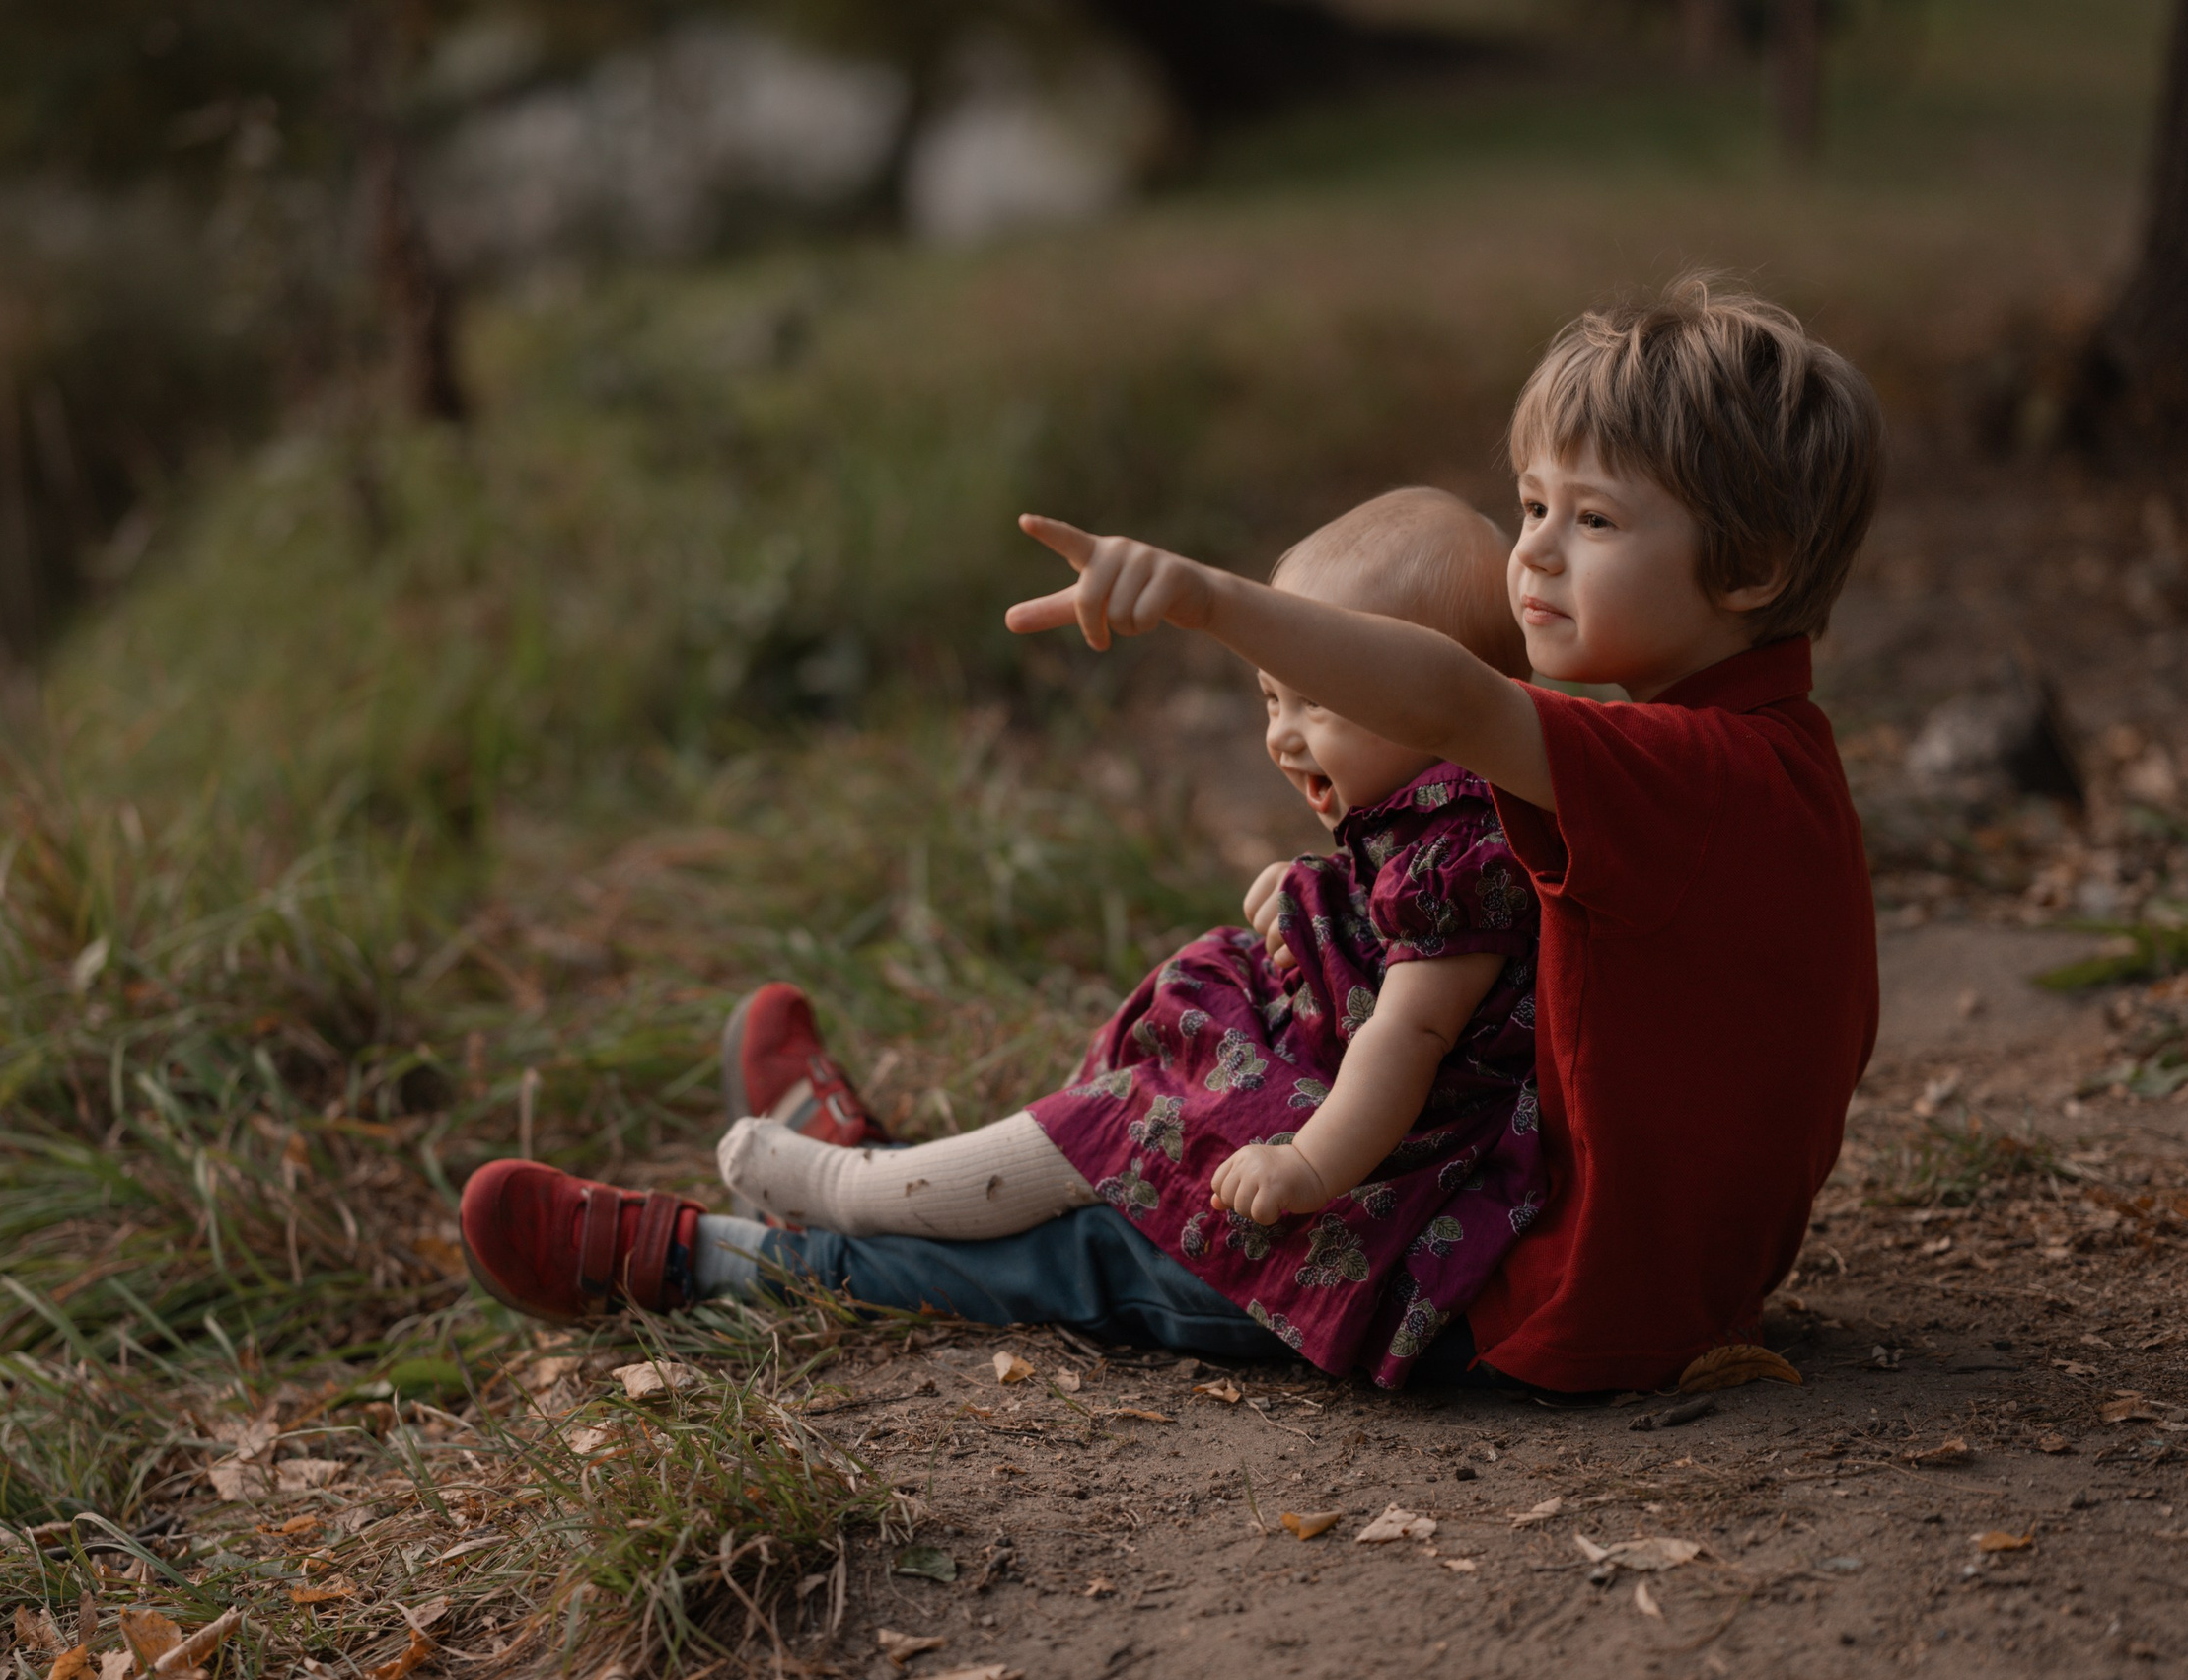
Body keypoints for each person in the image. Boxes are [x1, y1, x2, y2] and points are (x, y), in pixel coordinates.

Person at [466, 272, 1884, 1394]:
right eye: (1530, 506)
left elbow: (1454, 699)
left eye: (1595, 520)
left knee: (1105, 1249)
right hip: (1631, 1256)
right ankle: (877, 1166)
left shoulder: (1689, 770)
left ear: (1749, 567)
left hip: (1537, 1295)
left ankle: (714, 1258)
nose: (1534, 553)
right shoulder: (1762, 757)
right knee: (1217, 1063)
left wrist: (1211, 600)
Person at [461, 490, 1551, 1390]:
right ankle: (883, 1169)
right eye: (1271, 696)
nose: (1280, 735)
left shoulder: (1476, 851)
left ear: (1437, 700)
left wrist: (1306, 1163)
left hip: (1366, 1198)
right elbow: (1393, 933)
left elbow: (1409, 1035)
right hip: (1340, 1123)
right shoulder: (1444, 817)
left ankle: (752, 1244)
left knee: (1096, 1221)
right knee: (1150, 1093)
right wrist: (1307, 896)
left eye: (1319, 702)